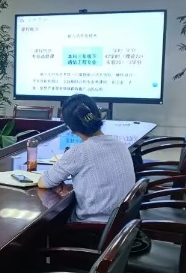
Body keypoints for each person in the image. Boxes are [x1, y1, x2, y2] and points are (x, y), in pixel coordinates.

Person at [38, 94, 135, 222]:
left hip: (92, 228)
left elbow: (44, 182)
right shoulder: (120, 144)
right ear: (98, 114)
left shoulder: (79, 152)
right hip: (123, 226)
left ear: (70, 127)